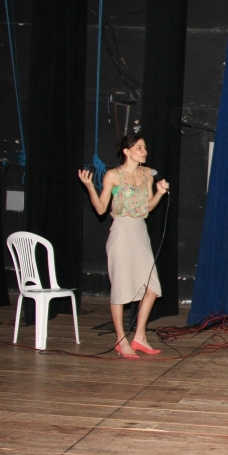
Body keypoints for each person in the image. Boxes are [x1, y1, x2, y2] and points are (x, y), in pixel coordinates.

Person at [78, 134, 169, 359]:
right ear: (126, 151)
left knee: (152, 288)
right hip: (121, 231)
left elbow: (147, 206)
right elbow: (100, 209)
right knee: (120, 288)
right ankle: (120, 340)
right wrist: (90, 186)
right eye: (139, 148)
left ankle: (139, 336)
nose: (144, 151)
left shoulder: (147, 173)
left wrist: (159, 192)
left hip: (140, 231)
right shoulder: (113, 175)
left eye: (145, 147)